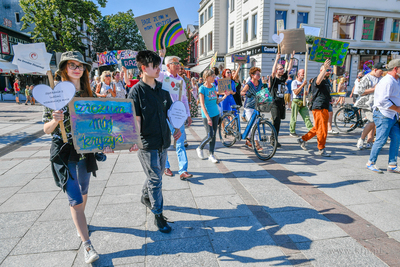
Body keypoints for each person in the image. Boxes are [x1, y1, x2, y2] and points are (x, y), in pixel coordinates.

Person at [42, 51, 101, 263]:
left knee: (84, 191)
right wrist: (55, 120)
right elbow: (46, 129)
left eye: (80, 65)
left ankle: (81, 222)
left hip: (85, 148)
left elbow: (98, 123)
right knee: (75, 198)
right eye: (72, 65)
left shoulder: (88, 93)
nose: (77, 68)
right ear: (64, 68)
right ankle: (87, 246)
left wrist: (106, 141)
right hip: (64, 150)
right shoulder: (54, 94)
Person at [128, 50, 180, 232]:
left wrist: (176, 127)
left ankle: (145, 196)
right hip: (147, 143)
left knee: (154, 176)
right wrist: (133, 138)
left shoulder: (162, 89)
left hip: (163, 140)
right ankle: (158, 214)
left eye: (159, 65)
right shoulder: (135, 92)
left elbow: (170, 112)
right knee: (156, 178)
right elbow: (136, 120)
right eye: (155, 66)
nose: (159, 69)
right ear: (144, 68)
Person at [157, 50, 193, 180]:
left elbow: (183, 99)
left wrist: (188, 115)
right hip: (165, 116)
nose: (178, 65)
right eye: (175, 63)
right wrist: (161, 56)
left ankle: (183, 170)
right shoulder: (162, 76)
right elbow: (155, 69)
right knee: (165, 144)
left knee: (180, 143)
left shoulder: (181, 80)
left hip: (178, 116)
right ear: (168, 66)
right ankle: (165, 166)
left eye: (179, 63)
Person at [366, 59, 400, 173]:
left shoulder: (396, 80)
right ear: (395, 69)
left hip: (392, 115)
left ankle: (392, 164)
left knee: (396, 138)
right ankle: (370, 163)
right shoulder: (387, 81)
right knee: (381, 140)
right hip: (383, 114)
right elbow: (382, 101)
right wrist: (398, 109)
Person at [297, 59, 332, 157]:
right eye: (327, 70)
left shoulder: (327, 81)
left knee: (318, 128)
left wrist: (330, 99)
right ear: (322, 70)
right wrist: (325, 68)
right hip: (319, 107)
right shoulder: (319, 78)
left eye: (329, 70)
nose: (329, 71)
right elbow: (317, 81)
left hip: (324, 106)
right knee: (322, 129)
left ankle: (302, 139)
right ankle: (321, 148)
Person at [196, 69, 229, 163]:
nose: (214, 78)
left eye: (214, 76)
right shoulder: (202, 88)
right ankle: (200, 147)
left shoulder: (214, 86)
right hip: (207, 115)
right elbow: (202, 105)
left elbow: (216, 101)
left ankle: (211, 154)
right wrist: (208, 117)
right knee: (210, 135)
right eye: (212, 76)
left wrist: (224, 97)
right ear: (207, 77)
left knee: (214, 135)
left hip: (215, 114)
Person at [355, 63, 385, 150]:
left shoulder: (381, 78)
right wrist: (374, 89)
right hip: (367, 103)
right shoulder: (366, 78)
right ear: (375, 70)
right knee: (372, 121)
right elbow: (360, 91)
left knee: (374, 122)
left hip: (378, 104)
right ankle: (361, 139)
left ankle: (370, 141)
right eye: (381, 71)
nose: (382, 73)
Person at [269, 51, 296, 147]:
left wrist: (292, 57)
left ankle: (274, 138)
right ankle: (273, 139)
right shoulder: (274, 79)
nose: (282, 70)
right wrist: (276, 59)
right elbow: (272, 72)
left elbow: (288, 69)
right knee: (276, 120)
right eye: (280, 69)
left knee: (278, 122)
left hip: (281, 102)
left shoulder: (282, 78)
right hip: (274, 102)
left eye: (282, 69)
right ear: (276, 70)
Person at [241, 67, 264, 150]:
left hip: (257, 106)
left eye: (259, 74)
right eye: (257, 74)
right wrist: (247, 93)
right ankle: (257, 143)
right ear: (252, 75)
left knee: (254, 124)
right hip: (249, 107)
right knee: (254, 124)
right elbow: (242, 92)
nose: (259, 76)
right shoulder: (249, 84)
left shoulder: (260, 82)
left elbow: (262, 91)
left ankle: (248, 140)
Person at [289, 69, 313, 137]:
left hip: (303, 101)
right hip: (296, 101)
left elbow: (306, 93)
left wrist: (307, 91)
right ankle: (292, 131)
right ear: (298, 74)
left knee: (306, 117)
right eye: (302, 73)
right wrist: (302, 85)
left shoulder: (304, 82)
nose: (304, 74)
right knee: (294, 117)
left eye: (304, 73)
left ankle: (311, 130)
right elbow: (295, 92)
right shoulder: (294, 82)